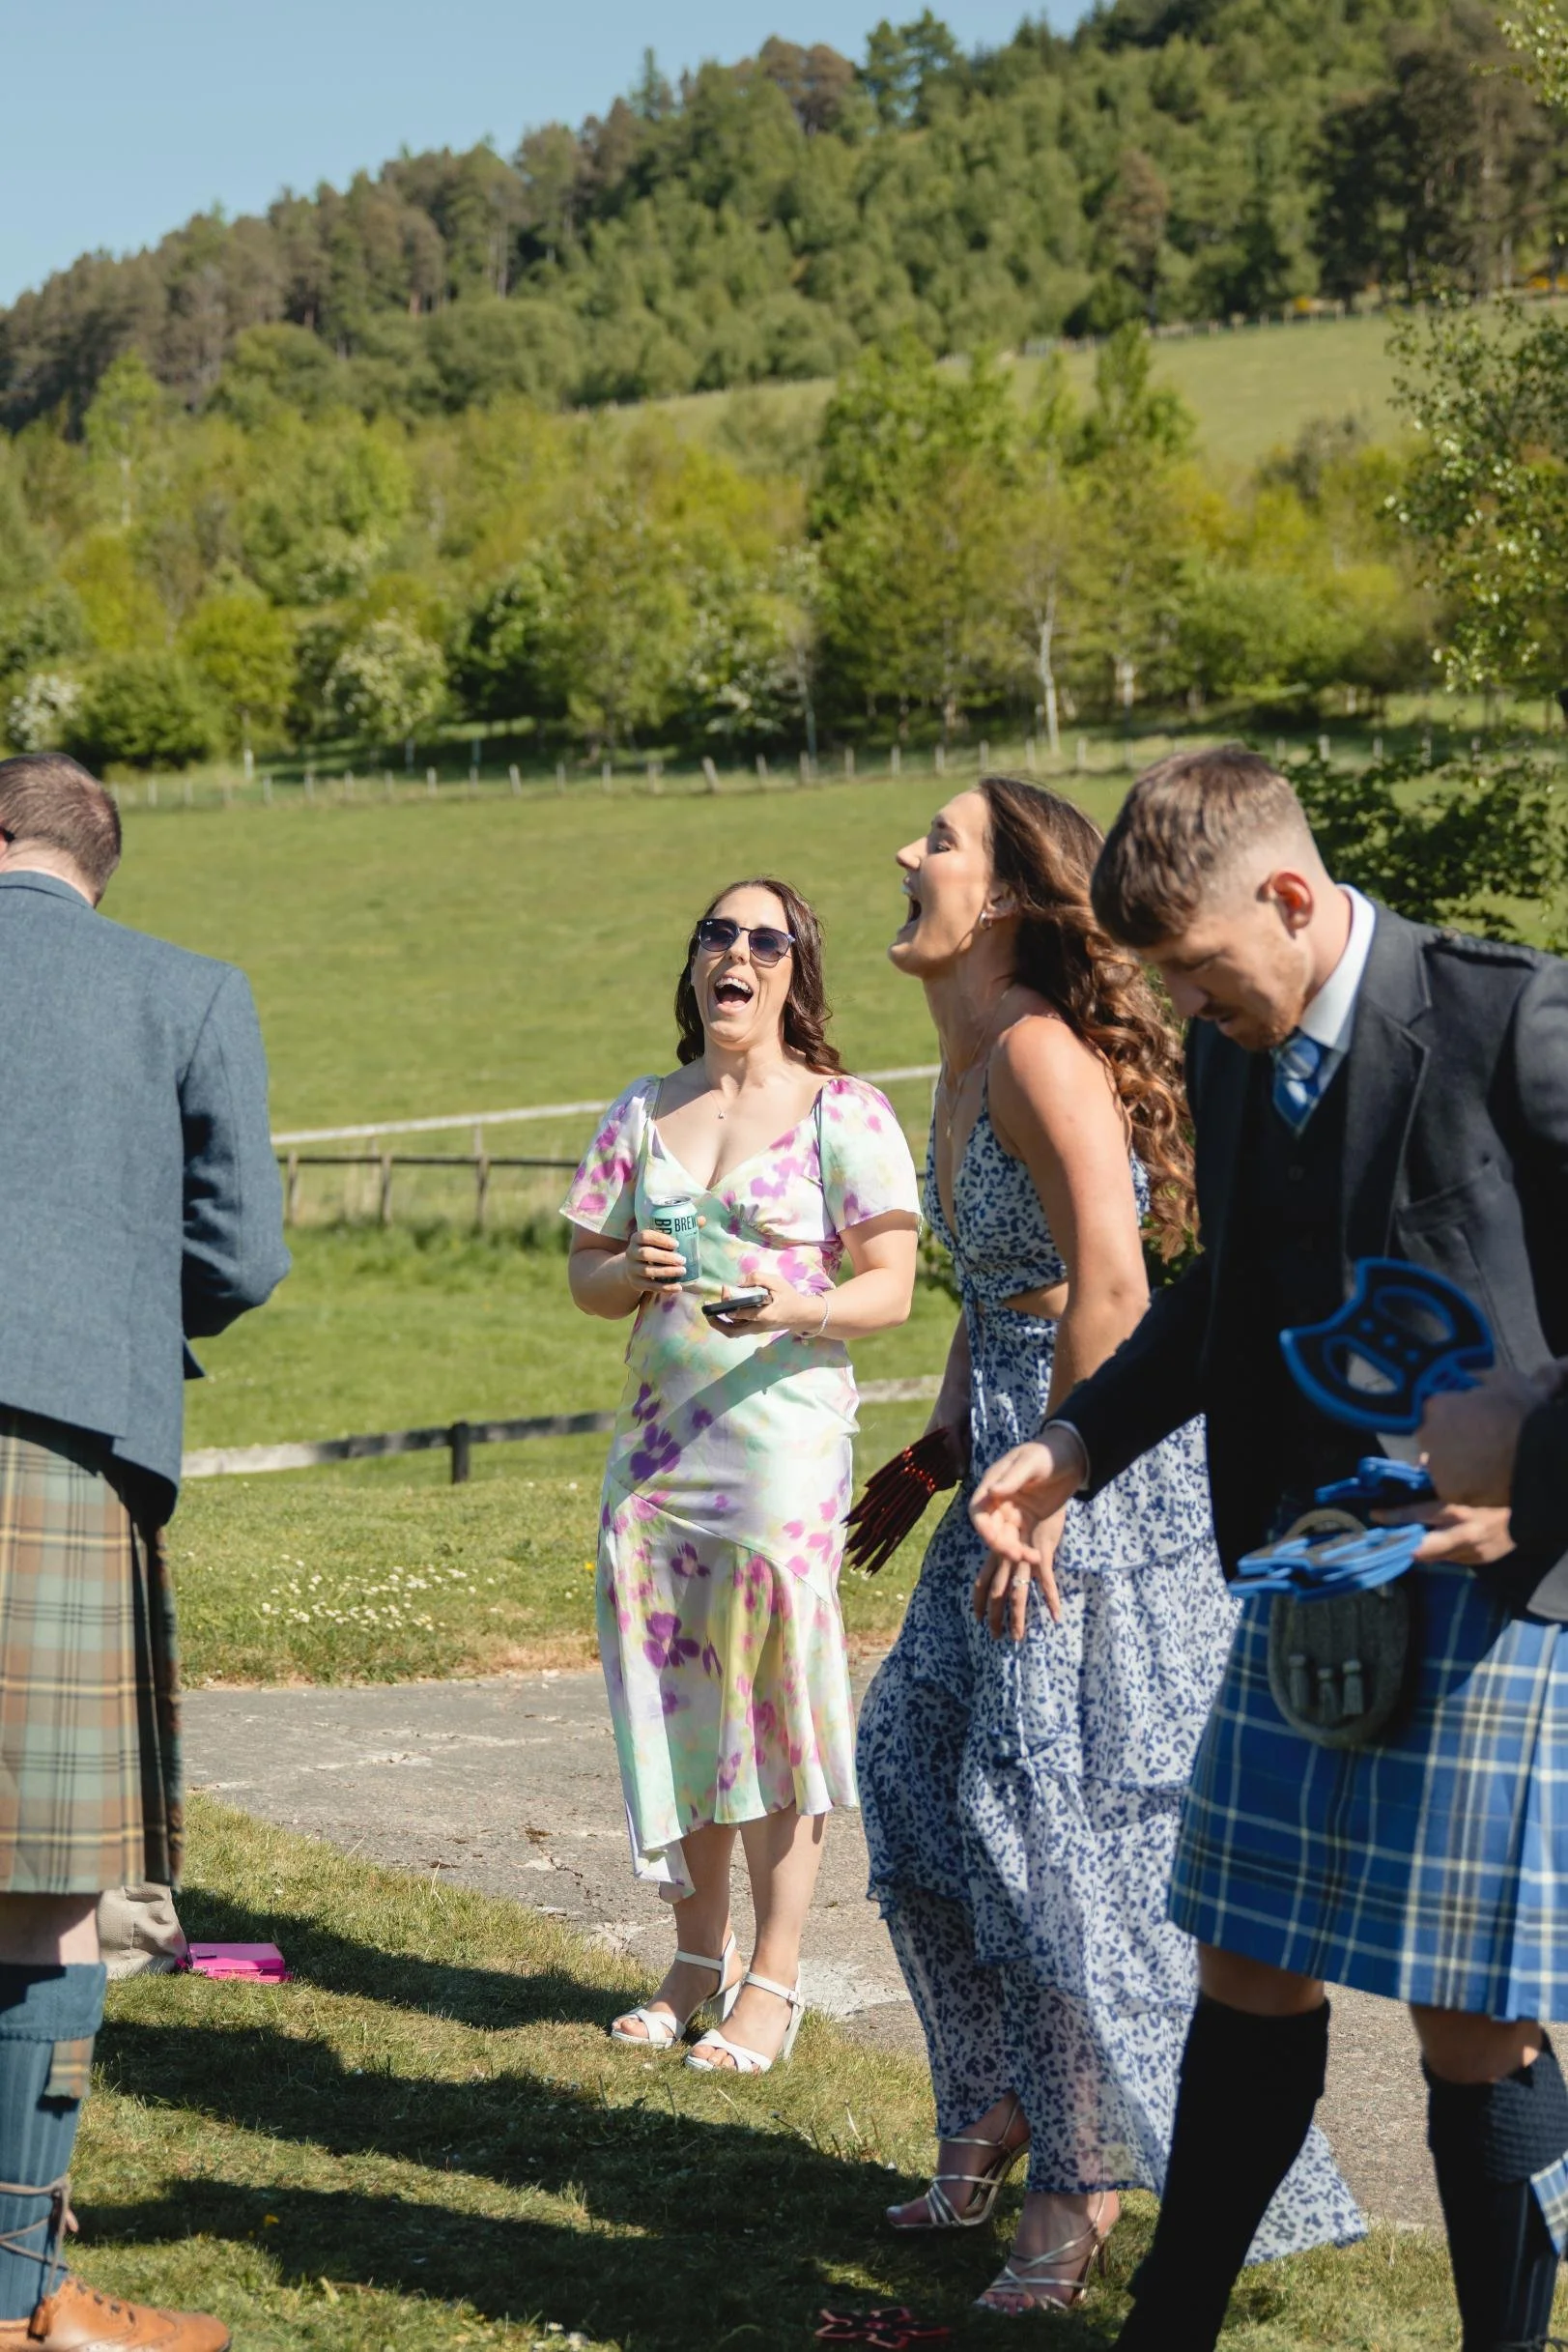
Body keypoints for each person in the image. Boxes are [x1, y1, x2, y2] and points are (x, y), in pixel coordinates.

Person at [969, 746, 1568, 2352]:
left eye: (1192, 965)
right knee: (1246, 1950)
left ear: (1289, 895)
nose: (1177, 1005)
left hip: (1493, 1582)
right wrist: (1073, 1442)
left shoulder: (1502, 1015)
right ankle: (1169, 2325)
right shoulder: (1239, 1060)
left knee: (1466, 2012)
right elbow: (1216, 1308)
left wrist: (1537, 1485)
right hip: (1312, 1561)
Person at [855, 778, 1361, 2317]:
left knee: (1037, 1822)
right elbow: (985, 1292)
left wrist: (1053, 1478)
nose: (906, 854)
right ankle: (995, 2102)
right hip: (1007, 1456)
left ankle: (1078, 2181)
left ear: (1005, 894)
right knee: (904, 1764)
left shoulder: (1032, 1052)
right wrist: (944, 1446)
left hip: (1092, 1467)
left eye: (939, 841)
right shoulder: (959, 1058)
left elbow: (1111, 1285)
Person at [0, 753, 288, 2352]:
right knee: (43, 1899)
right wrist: (102, 1305)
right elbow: (241, 1253)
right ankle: (21, 2294)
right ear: (99, 858)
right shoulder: (186, 989)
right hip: (55, 1453)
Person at [562, 878, 920, 2074]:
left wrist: (797, 1304)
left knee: (774, 1709)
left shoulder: (844, 1112)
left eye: (768, 940)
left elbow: (893, 1287)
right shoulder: (641, 1108)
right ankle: (691, 1960)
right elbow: (586, 1270)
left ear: (796, 973)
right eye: (721, 932)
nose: (740, 953)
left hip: (781, 1451)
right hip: (658, 1455)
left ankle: (774, 1980)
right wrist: (635, 1274)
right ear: (697, 961)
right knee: (677, 1702)